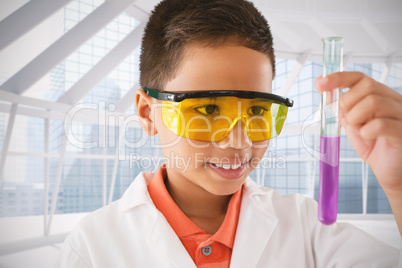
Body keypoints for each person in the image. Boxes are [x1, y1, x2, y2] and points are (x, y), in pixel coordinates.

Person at [56, 0, 402, 267]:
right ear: (148, 113)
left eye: (256, 111)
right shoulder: (92, 246)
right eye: (207, 110)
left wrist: (399, 186)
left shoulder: (307, 226)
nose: (238, 142)